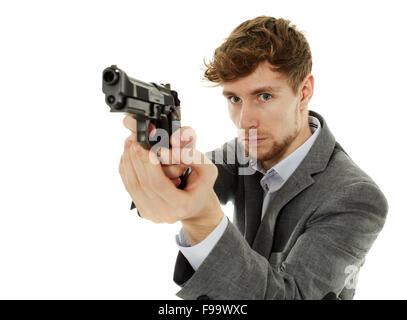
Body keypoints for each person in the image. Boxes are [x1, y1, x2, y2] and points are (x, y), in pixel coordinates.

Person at [119, 16, 388, 300]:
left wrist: (202, 219)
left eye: (264, 96)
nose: (244, 121)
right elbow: (196, 176)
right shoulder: (243, 153)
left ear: (304, 92)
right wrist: (171, 167)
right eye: (234, 99)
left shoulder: (357, 197)